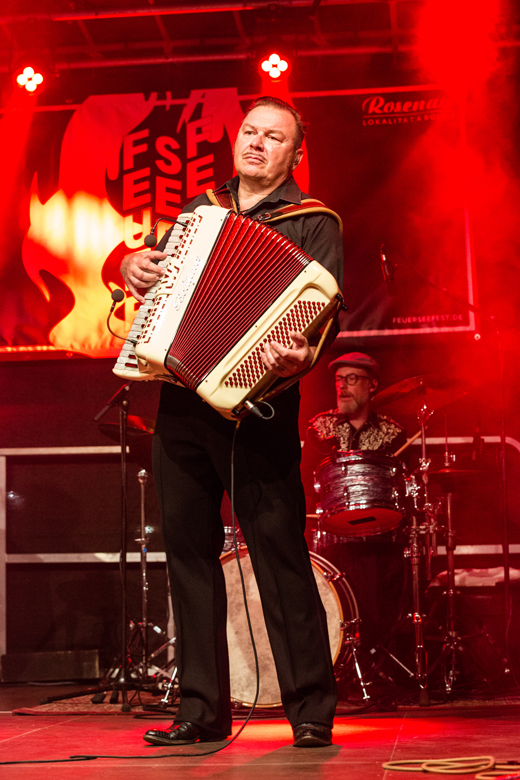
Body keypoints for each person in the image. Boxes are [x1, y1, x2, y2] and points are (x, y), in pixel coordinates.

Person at [120, 97, 344, 748]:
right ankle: (200, 711)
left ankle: (309, 712)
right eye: (250, 132)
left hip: (258, 408)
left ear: (294, 154)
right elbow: (158, 282)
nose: (257, 143)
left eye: (274, 137)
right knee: (189, 557)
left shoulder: (314, 221)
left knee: (279, 559)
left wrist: (306, 351)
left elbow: (324, 313)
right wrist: (131, 267)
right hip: (183, 401)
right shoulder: (199, 211)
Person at [306, 352, 407, 653]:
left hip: (381, 538)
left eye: (352, 379)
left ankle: (381, 661)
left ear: (372, 384)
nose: (343, 387)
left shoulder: (393, 433)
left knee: (383, 600)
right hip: (335, 537)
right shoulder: (320, 429)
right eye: (339, 380)